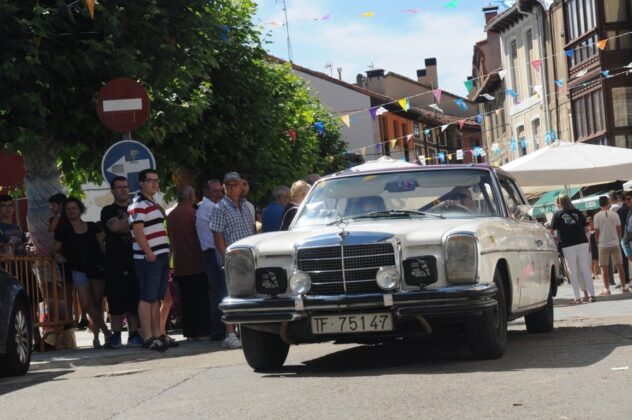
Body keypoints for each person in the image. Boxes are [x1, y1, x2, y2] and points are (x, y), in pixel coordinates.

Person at [52, 197, 111, 348]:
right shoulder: (63, 230)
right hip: (78, 269)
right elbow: (54, 249)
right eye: (68, 209)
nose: (71, 211)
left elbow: (102, 247)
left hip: (97, 267)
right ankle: (106, 332)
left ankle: (97, 337)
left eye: (74, 208)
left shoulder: (92, 226)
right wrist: (59, 256)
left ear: (80, 209)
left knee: (98, 304)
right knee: (87, 304)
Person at [209, 171, 256, 348]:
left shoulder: (245, 205)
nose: (232, 187)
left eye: (235, 183)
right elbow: (217, 234)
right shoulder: (220, 207)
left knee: (247, 294)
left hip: (248, 257)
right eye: (228, 184)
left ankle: (245, 330)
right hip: (232, 259)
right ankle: (230, 334)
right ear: (224, 187)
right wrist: (226, 257)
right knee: (229, 294)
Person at [128, 169, 172, 351]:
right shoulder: (138, 203)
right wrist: (149, 253)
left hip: (159, 256)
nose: (154, 183)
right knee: (147, 297)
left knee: (155, 298)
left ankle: (157, 334)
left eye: (156, 180)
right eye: (149, 180)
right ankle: (147, 336)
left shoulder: (151, 203)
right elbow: (138, 231)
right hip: (149, 258)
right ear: (141, 183)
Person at [100, 176, 143, 348]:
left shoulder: (137, 207)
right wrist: (136, 221)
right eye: (119, 187)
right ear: (112, 190)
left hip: (135, 259)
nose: (123, 190)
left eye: (125, 187)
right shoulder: (107, 210)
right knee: (116, 300)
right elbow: (115, 227)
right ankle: (116, 335)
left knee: (134, 300)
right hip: (115, 261)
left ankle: (133, 334)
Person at [167, 185, 210, 339]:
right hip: (196, 262)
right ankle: (202, 331)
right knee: (200, 299)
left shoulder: (171, 215)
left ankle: (189, 331)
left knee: (186, 301)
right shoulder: (194, 214)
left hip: (180, 264)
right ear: (191, 196)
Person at [551, 194, 595, 304]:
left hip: (568, 244)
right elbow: (586, 229)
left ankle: (577, 297)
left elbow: (551, 231)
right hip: (582, 242)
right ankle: (592, 295)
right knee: (585, 269)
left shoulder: (557, 214)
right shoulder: (578, 212)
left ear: (559, 203)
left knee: (572, 271)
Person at [196, 179, 225, 342]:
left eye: (221, 191)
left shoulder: (210, 206)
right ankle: (219, 330)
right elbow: (217, 234)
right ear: (206, 192)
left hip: (213, 252)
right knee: (219, 292)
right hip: (212, 253)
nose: (219, 194)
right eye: (215, 191)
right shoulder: (209, 208)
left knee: (219, 292)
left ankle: (220, 329)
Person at [594, 196, 629, 295]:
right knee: (619, 265)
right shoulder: (614, 214)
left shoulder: (596, 216)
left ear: (599, 204)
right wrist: (617, 238)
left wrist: (598, 242)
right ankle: (623, 287)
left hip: (603, 244)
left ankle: (606, 289)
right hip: (615, 243)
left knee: (604, 267)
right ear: (608, 203)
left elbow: (596, 231)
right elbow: (619, 228)